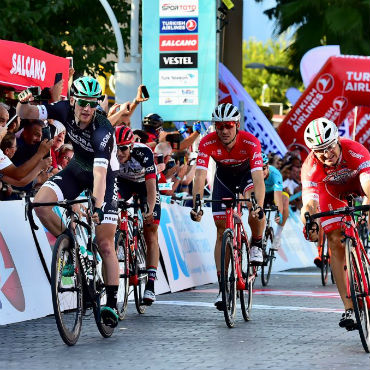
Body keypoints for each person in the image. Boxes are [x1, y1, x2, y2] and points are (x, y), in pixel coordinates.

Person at [16, 76, 120, 328]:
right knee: (41, 204)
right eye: (83, 102)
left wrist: (96, 206)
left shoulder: (102, 129)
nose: (87, 108)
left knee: (105, 243)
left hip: (104, 174)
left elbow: (99, 175)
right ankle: (72, 246)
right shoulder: (62, 109)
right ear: (73, 100)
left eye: (93, 104)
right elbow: (26, 112)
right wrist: (23, 102)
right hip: (76, 167)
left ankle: (112, 302)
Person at [189, 103, 265, 310]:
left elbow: (258, 179)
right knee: (221, 233)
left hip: (246, 175)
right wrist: (197, 203)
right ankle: (223, 288)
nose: (223, 130)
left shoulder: (250, 142)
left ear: (237, 125)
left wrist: (258, 205)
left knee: (253, 201)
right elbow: (200, 175)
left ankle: (257, 242)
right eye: (219, 126)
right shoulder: (207, 142)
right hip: (223, 179)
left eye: (228, 126)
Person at [301, 117, 370, 330]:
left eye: (329, 147)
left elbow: (368, 183)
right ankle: (349, 307)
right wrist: (309, 222)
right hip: (332, 194)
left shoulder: (355, 150)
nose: (326, 154)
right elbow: (310, 203)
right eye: (319, 150)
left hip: (358, 184)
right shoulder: (310, 166)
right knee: (334, 241)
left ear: (338, 140)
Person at [115, 125, 161, 304]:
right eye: (116, 148)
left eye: (123, 148)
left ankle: (150, 283)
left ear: (131, 146)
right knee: (111, 208)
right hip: (123, 183)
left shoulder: (144, 153)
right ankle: (121, 239)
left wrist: (149, 209)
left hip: (144, 184)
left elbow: (151, 186)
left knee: (151, 229)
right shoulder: (110, 152)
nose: (119, 153)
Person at [262, 153, 288, 250]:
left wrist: (279, 213)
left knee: (285, 199)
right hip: (262, 193)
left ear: (268, 166)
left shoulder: (275, 174)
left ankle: (278, 235)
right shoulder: (253, 172)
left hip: (274, 192)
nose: (261, 172)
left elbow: (277, 196)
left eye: (263, 169)